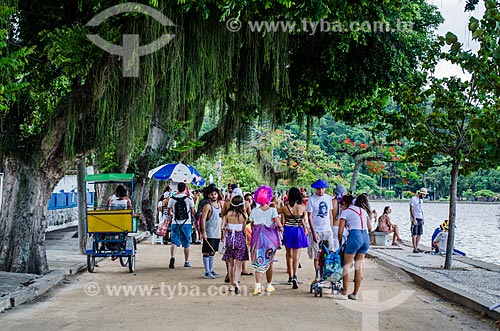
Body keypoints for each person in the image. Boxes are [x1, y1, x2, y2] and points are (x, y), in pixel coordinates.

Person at [333, 194, 372, 300]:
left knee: (347, 266)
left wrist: (340, 243)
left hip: (355, 236)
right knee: (358, 267)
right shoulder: (363, 211)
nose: (341, 208)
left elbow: (340, 232)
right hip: (365, 238)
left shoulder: (345, 212)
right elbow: (370, 227)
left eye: (341, 205)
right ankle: (354, 294)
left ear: (345, 203)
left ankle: (344, 293)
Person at [249, 185, 283, 296]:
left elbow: (252, 224)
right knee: (270, 262)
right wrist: (280, 228)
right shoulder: (272, 211)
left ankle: (258, 286)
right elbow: (278, 224)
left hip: (257, 240)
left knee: (259, 262)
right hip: (270, 241)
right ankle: (269, 285)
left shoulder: (254, 211)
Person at [278, 187, 308, 289]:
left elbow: (275, 212)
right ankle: (295, 275)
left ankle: (290, 276)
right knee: (297, 256)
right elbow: (304, 219)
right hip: (299, 230)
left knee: (288, 254)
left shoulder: (285, 207)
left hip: (288, 230)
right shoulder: (302, 207)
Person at [221, 194, 249, 294]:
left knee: (230, 264)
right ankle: (236, 281)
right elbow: (244, 230)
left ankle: (231, 284)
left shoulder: (227, 214)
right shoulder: (243, 216)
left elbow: (222, 227)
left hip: (229, 239)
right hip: (239, 239)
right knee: (238, 263)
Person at [306, 179, 335, 272]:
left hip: (327, 230)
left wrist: (331, 229)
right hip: (316, 230)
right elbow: (309, 217)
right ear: (315, 189)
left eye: (322, 189)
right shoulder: (311, 199)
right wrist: (313, 232)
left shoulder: (328, 198)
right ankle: (317, 273)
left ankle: (327, 271)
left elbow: (330, 214)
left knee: (330, 252)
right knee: (316, 255)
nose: (320, 191)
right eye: (318, 189)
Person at [167, 182, 196, 268]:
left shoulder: (172, 199)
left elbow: (169, 211)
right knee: (186, 243)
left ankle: (172, 257)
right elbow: (193, 211)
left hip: (175, 222)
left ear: (177, 189)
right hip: (186, 223)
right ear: (185, 189)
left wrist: (172, 214)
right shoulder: (189, 199)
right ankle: (186, 261)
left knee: (174, 242)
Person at [200, 185, 222, 279]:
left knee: (213, 251)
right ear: (208, 195)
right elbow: (203, 219)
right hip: (209, 232)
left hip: (217, 232)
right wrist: (203, 232)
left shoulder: (219, 205)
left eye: (215, 194)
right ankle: (207, 271)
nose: (214, 196)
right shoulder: (207, 206)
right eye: (212, 194)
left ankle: (211, 269)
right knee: (206, 252)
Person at [409, 188, 428, 253]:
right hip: (415, 217)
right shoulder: (413, 199)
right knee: (414, 233)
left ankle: (417, 246)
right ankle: (414, 248)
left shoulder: (421, 200)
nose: (424, 196)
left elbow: (421, 209)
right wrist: (413, 219)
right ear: (420, 193)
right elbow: (411, 209)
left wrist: (423, 218)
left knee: (419, 233)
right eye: (423, 195)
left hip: (420, 217)